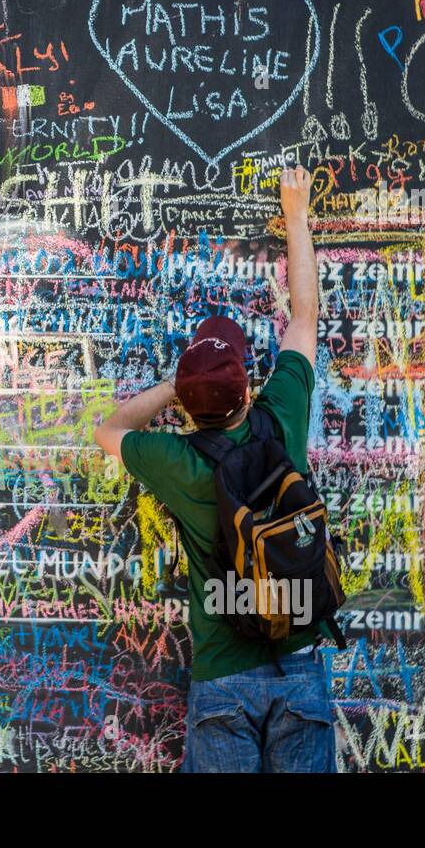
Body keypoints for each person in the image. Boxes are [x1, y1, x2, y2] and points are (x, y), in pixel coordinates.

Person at [93, 165, 336, 772]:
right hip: (300, 661)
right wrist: (296, 215)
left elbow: (109, 429)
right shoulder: (279, 418)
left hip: (222, 681)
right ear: (249, 390)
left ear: (189, 406)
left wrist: (173, 391)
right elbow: (304, 319)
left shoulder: (177, 460)